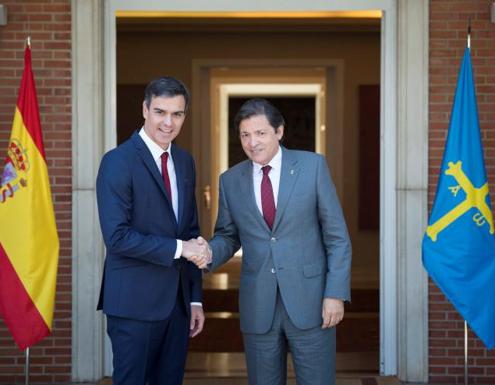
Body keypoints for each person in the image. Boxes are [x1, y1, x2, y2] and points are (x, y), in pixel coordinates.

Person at [196, 98, 352, 385]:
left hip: (312, 302)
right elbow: (228, 236)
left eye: (260, 133)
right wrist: (207, 252)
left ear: (279, 131)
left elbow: (337, 237)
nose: (252, 142)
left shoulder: (312, 167)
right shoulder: (230, 180)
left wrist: (335, 294)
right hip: (258, 306)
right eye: (245, 134)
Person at [96, 76, 208, 385]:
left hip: (178, 304)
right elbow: (117, 237)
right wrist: (179, 248)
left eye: (177, 114)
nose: (168, 123)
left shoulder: (185, 162)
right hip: (133, 303)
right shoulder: (118, 161)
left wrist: (195, 299)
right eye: (160, 112)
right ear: (145, 109)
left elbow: (191, 230)